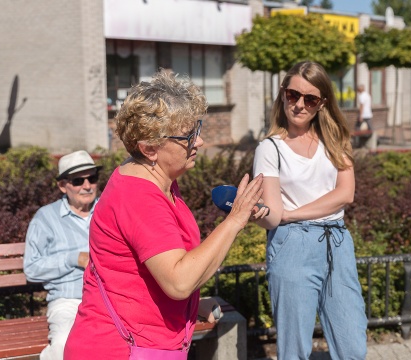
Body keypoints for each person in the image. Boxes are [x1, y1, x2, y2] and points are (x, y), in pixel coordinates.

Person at [63, 69, 266, 358]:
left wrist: (194, 307)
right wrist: (234, 221)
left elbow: (146, 274)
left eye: (197, 129)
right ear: (149, 148)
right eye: (188, 136)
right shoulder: (139, 197)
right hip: (118, 349)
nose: (199, 142)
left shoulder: (159, 180)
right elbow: (178, 281)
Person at [253, 61, 367, 360]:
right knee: (294, 350)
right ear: (283, 95)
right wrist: (257, 213)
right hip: (292, 244)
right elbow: (274, 215)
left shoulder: (335, 141)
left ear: (322, 103)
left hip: (337, 243)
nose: (300, 105)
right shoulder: (270, 148)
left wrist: (289, 213)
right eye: (293, 95)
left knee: (352, 345)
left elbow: (345, 194)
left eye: (310, 99)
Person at [23, 150, 101, 360]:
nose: (87, 186)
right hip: (68, 300)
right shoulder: (46, 218)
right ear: (62, 186)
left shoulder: (107, 210)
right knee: (64, 346)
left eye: (92, 178)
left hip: (108, 298)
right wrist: (73, 258)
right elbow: (31, 268)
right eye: (78, 181)